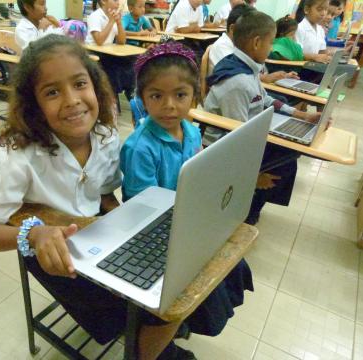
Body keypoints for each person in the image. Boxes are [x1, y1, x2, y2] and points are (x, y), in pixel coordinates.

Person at [0, 34, 192, 360]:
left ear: (96, 87)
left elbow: (103, 192)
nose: (72, 100)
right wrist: (33, 233)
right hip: (50, 251)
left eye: (79, 84)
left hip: (92, 234)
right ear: (34, 104)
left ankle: (153, 343)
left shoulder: (105, 136)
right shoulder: (23, 156)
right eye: (53, 92)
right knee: (151, 307)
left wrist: (123, 222)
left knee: (172, 281)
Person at [120, 42, 254, 359]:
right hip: (147, 229)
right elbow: (145, 205)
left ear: (195, 95)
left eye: (180, 95)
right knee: (196, 280)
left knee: (230, 260)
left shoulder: (191, 132)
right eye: (156, 96)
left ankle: (184, 322)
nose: (169, 106)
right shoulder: (140, 147)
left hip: (184, 220)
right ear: (142, 99)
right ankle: (159, 338)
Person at [204, 10, 321, 224]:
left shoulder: (248, 69)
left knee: (290, 153)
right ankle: (246, 212)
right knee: (285, 161)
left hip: (247, 133)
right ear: (257, 43)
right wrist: (252, 176)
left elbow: (265, 99)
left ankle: (251, 204)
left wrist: (299, 114)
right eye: (270, 42)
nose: (272, 48)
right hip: (221, 148)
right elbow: (236, 138)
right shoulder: (237, 82)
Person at [86, 0, 135, 100]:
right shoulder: (95, 16)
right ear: (103, 1)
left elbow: (121, 41)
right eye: (115, 0)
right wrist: (111, 21)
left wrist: (119, 23)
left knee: (131, 61)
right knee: (113, 68)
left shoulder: (112, 16)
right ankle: (112, 98)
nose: (118, 3)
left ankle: (132, 96)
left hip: (108, 52)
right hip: (93, 52)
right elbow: (99, 41)